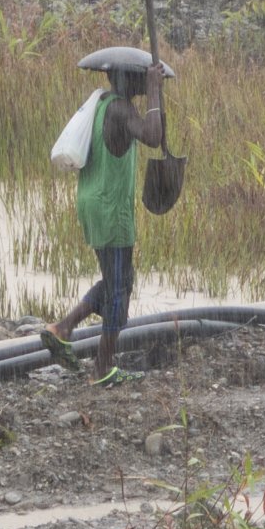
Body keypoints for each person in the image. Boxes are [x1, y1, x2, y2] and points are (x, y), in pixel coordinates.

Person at [38, 58, 167, 387]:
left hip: (94, 201)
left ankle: (63, 328)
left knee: (118, 281)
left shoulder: (104, 104)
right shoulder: (121, 110)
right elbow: (153, 137)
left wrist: (154, 95)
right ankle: (102, 367)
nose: (143, 82)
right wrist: (155, 91)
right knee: (119, 290)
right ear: (129, 80)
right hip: (111, 208)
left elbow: (152, 131)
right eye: (141, 78)